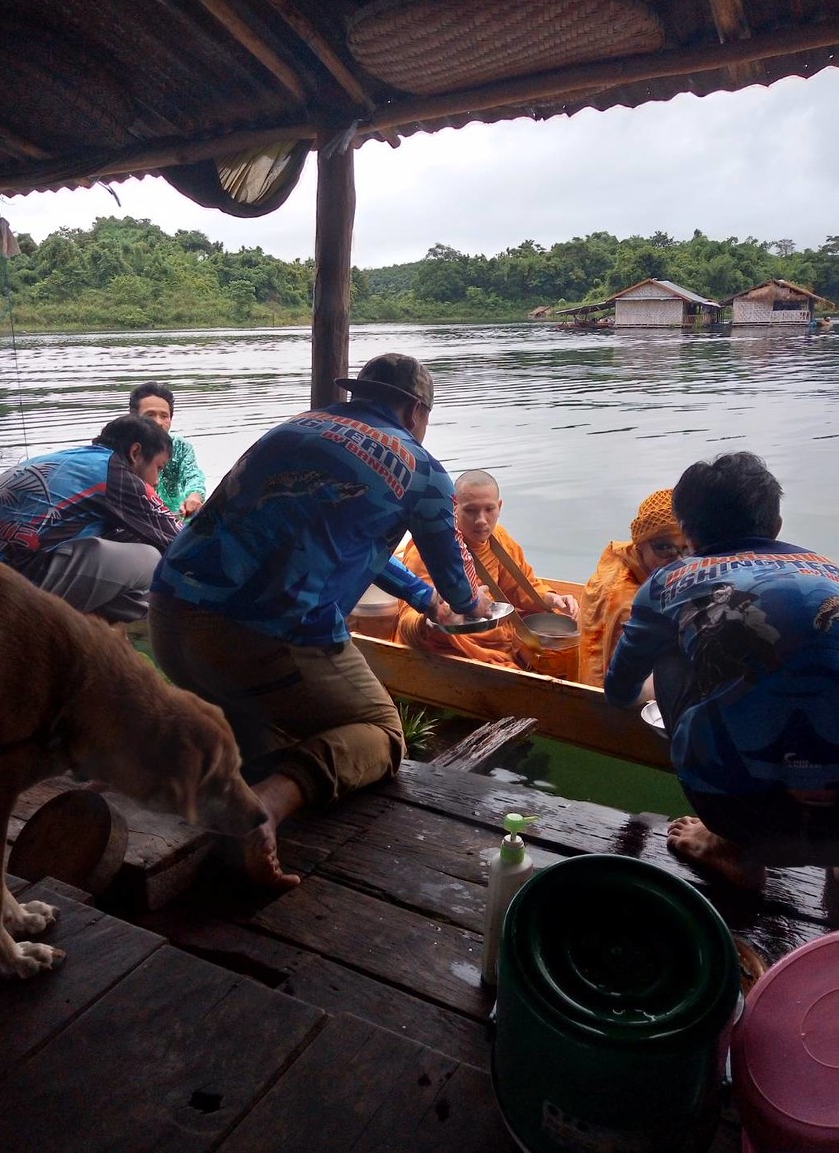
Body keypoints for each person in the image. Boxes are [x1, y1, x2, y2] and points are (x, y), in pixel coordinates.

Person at [148, 353, 492, 890]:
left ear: (359, 395)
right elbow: (462, 592)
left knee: (261, 732)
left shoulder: (294, 428)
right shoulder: (423, 471)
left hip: (167, 619)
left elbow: (358, 540)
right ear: (417, 408)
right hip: (257, 643)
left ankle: (229, 796)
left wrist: (420, 596)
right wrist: (474, 605)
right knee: (381, 732)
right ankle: (265, 810)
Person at [605, 452, 839, 890]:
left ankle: (730, 849)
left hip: (746, 818)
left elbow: (619, 690)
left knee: (670, 651)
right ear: (777, 526)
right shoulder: (831, 571)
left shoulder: (667, 582)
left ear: (688, 533)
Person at [0, 414, 180, 621]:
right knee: (151, 560)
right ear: (135, 452)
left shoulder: (57, 460)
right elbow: (178, 541)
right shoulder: (113, 471)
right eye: (158, 467)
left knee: (125, 544)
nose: (157, 481)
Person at [397, 469, 579, 671]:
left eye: (489, 509)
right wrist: (437, 616)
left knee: (559, 623)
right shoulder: (429, 549)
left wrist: (552, 599)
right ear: (454, 508)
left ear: (499, 507)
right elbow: (408, 621)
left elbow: (520, 587)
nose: (481, 520)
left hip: (497, 629)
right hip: (454, 643)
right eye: (471, 510)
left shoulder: (499, 538)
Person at [578, 489, 687, 687]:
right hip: (608, 700)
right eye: (664, 548)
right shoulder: (627, 604)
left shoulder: (626, 555)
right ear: (639, 545)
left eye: (687, 548)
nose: (679, 560)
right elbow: (628, 682)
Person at [129, 381, 206, 517]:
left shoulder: (180, 447)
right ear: (134, 417)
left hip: (176, 515)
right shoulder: (124, 447)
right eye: (150, 415)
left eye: (164, 416)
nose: (158, 422)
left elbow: (193, 477)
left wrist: (194, 498)